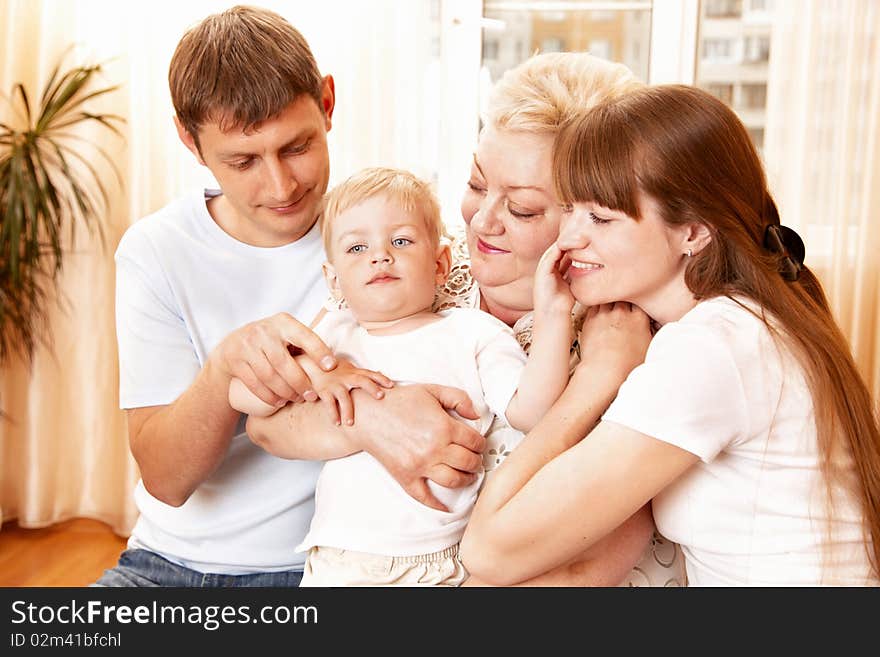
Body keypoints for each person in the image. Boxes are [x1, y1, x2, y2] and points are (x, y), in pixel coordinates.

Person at [251, 52, 681, 587]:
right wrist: (370, 419)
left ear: (588, 215)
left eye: (521, 209)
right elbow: (266, 422)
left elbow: (597, 553)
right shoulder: (415, 269)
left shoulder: (621, 334)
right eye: (477, 184)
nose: (482, 219)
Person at [99, 5, 490, 587]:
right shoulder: (155, 250)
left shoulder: (384, 236)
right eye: (243, 161)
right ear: (189, 139)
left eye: (296, 147)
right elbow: (165, 479)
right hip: (166, 564)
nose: (281, 186)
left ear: (328, 103)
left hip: (324, 571)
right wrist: (224, 371)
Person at [459, 84, 880, 586]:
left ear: (694, 231)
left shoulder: (714, 347)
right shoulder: (748, 322)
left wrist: (598, 375)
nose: (569, 239)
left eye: (601, 217)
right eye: (569, 209)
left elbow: (489, 549)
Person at [233, 167, 576, 586]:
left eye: (400, 241)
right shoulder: (333, 336)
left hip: (438, 563)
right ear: (334, 279)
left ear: (439, 264)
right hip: (339, 559)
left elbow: (532, 412)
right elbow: (244, 397)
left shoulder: (472, 332)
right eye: (357, 247)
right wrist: (315, 374)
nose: (380, 256)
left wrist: (555, 313)